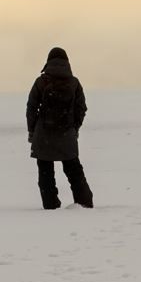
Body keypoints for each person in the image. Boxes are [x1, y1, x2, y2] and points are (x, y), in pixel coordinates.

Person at [26, 47, 94, 209]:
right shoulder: (74, 82)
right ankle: (84, 202)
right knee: (74, 170)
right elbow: (81, 108)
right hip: (67, 134)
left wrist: (32, 132)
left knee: (45, 172)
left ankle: (51, 205)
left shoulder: (41, 82)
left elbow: (31, 108)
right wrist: (74, 128)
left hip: (43, 134)